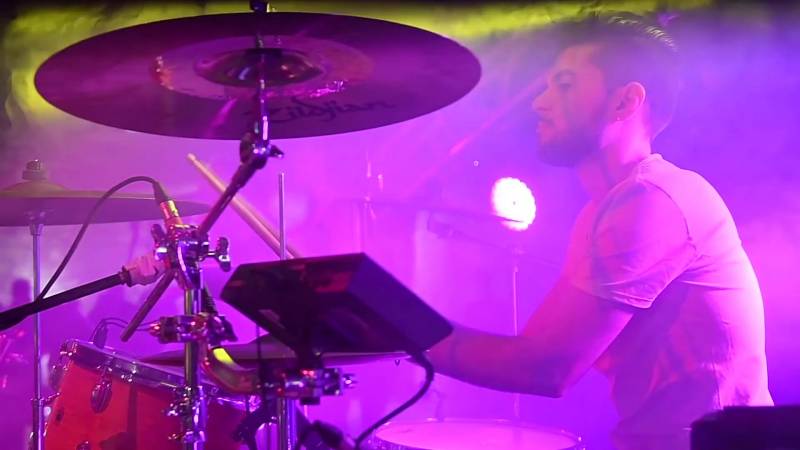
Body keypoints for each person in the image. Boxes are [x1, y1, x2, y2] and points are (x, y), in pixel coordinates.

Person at [426, 12, 773, 450]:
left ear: (625, 102)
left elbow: (545, 368)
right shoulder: (609, 206)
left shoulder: (653, 199)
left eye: (564, 85)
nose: (540, 103)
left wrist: (407, 332)